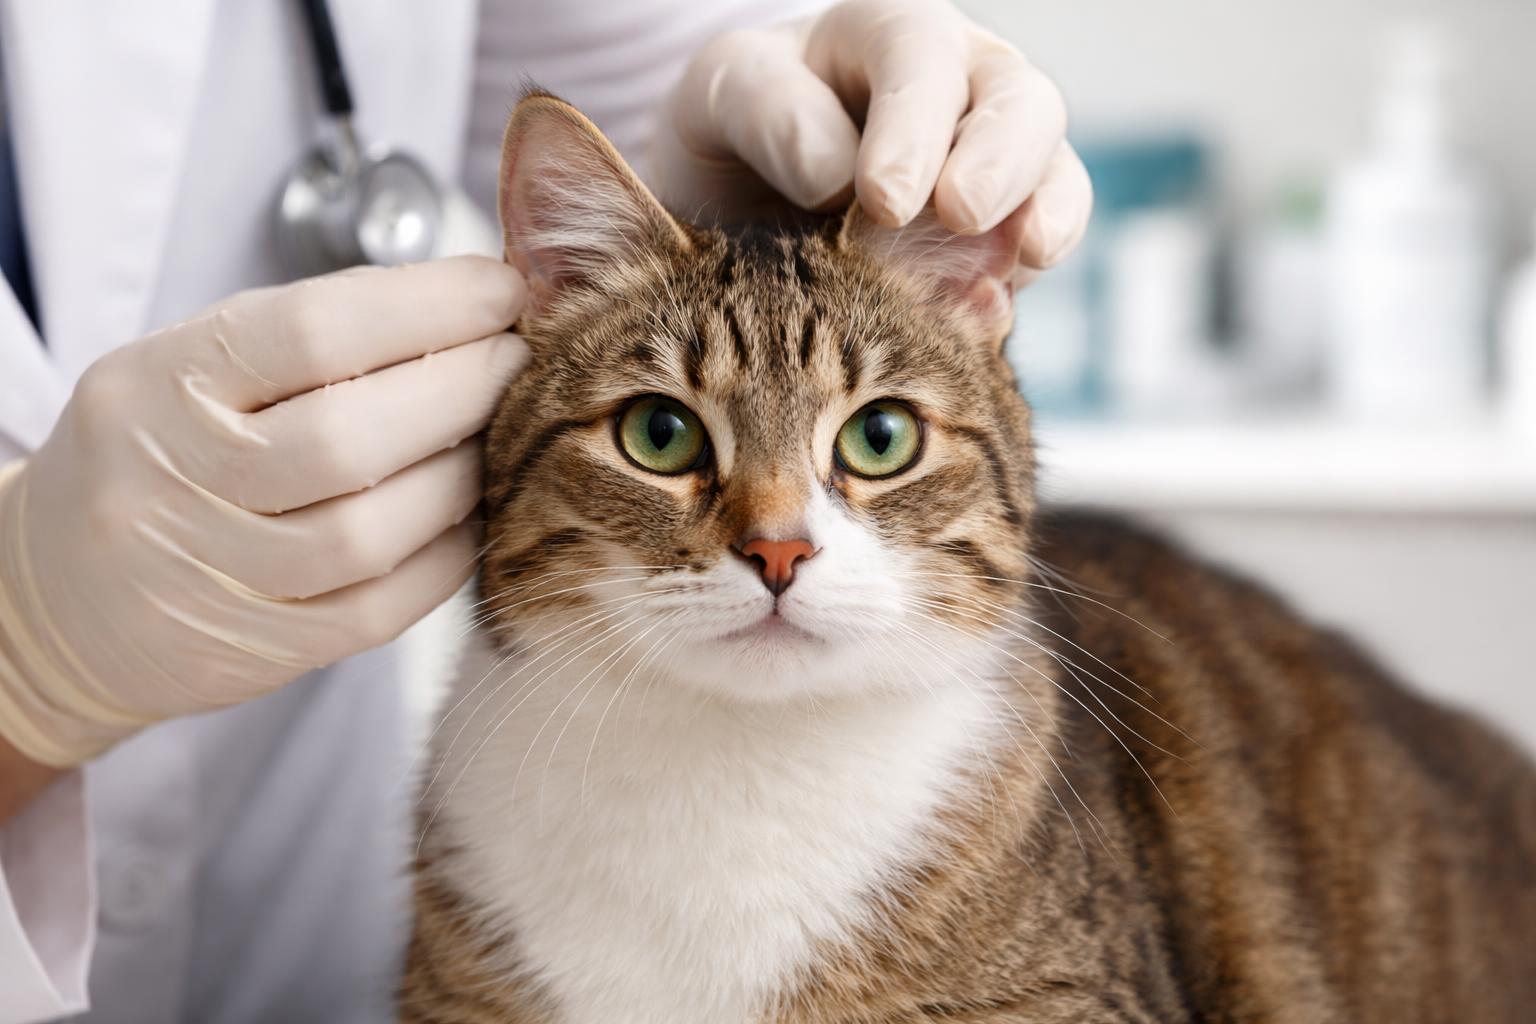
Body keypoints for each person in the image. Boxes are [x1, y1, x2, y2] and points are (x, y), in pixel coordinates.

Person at [0, 1, 1090, 1020]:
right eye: (666, 437)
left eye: (876, 440)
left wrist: (806, 89)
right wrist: (20, 658)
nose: (774, 540)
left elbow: (662, 86)